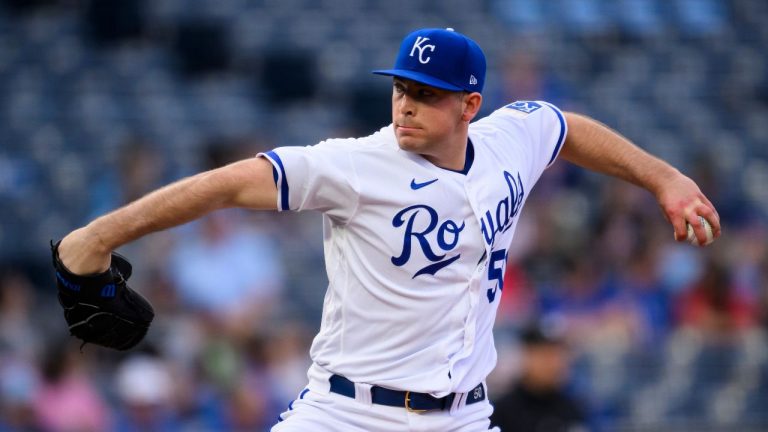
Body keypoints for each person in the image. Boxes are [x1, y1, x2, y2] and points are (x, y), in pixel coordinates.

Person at [56, 28, 720, 431]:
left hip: (463, 415)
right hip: (349, 414)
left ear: (469, 105)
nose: (406, 102)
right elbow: (230, 182)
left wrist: (662, 178)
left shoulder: (509, 141)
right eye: (402, 86)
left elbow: (565, 127)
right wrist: (97, 237)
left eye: (427, 92)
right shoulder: (355, 165)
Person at [490, 324, 588, 432]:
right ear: (526, 355)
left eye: (556, 354)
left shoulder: (572, 408)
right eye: (544, 355)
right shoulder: (502, 411)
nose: (552, 363)